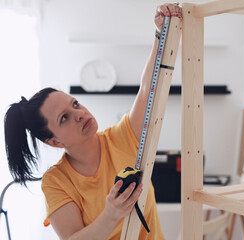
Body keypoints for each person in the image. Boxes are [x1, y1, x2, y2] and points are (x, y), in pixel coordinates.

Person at [3, 3, 182, 240]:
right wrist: (111, 214)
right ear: (54, 142)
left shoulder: (122, 137)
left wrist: (162, 34)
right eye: (64, 118)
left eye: (75, 104)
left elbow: (148, 89)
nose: (79, 114)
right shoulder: (56, 182)